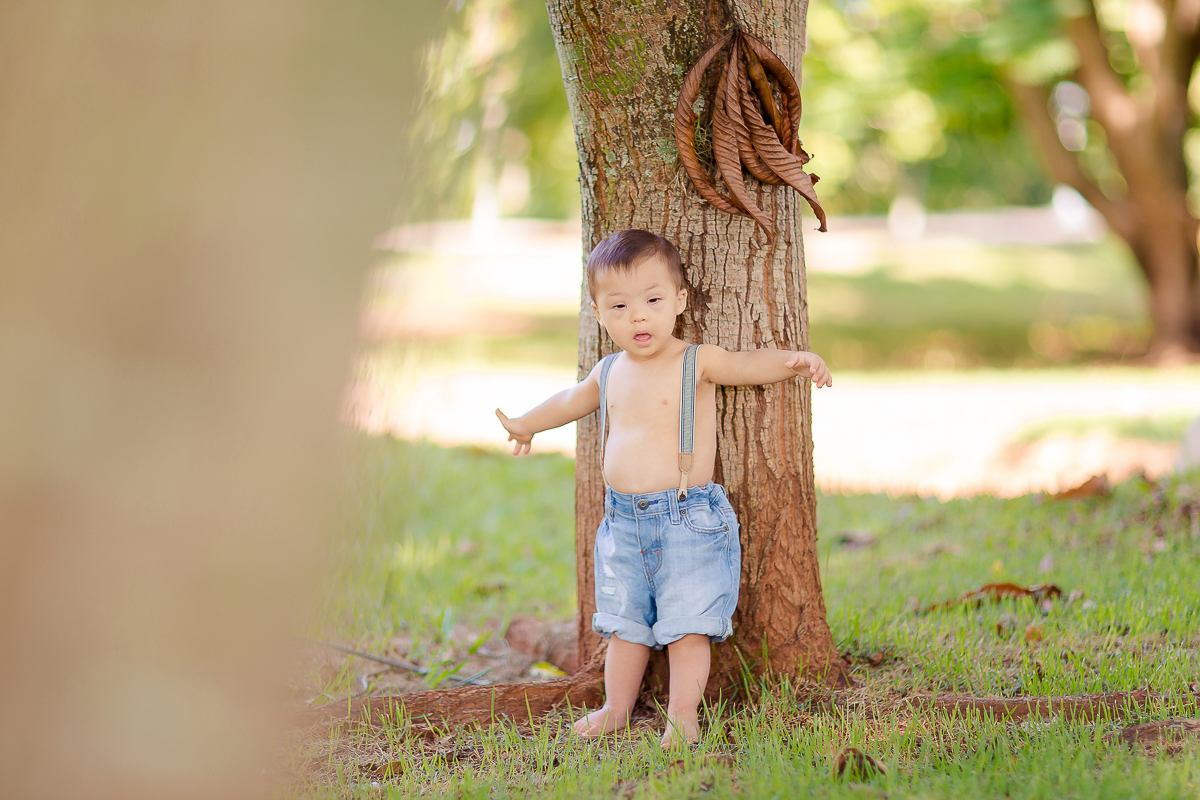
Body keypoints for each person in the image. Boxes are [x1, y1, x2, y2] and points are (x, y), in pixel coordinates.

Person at [495, 229, 832, 748]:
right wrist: (527, 424)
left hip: (686, 519)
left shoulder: (696, 361)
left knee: (687, 625)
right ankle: (615, 708)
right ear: (598, 313)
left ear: (679, 300)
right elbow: (568, 400)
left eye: (652, 301)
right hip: (623, 522)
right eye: (620, 306)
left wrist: (795, 361)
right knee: (624, 624)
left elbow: (746, 363)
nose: (638, 317)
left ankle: (682, 716)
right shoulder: (609, 371)